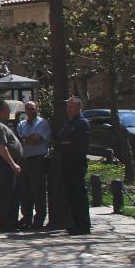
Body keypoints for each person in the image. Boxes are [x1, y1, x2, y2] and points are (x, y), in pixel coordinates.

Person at [55, 97, 91, 235]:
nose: (69, 109)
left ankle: (83, 225)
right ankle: (75, 222)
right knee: (70, 194)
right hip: (67, 160)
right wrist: (65, 142)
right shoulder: (69, 123)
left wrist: (66, 142)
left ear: (79, 108)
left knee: (78, 194)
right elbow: (61, 138)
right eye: (68, 107)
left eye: (71, 106)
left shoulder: (82, 123)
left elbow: (77, 143)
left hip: (76, 161)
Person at [0, 100, 23, 232]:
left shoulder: (2, 124)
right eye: (7, 110)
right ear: (1, 111)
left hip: (7, 163)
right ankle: (6, 224)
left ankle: (12, 221)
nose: (9, 113)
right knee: (7, 194)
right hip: (4, 163)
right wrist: (13, 164)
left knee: (13, 194)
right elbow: (1, 147)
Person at [16, 100, 51, 229]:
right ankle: (27, 218)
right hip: (24, 160)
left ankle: (39, 219)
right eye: (27, 109)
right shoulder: (22, 124)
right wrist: (27, 138)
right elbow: (19, 139)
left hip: (38, 160)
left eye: (32, 108)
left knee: (38, 191)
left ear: (37, 109)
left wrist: (27, 138)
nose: (30, 111)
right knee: (25, 192)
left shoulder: (42, 123)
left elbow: (36, 140)